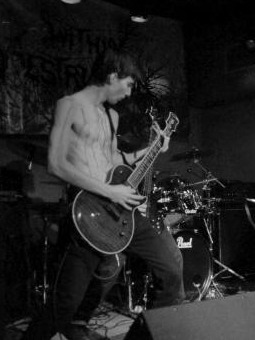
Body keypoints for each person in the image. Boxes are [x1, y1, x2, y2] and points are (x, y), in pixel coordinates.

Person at [22, 55, 185, 340]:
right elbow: (56, 164)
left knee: (171, 270)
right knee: (64, 304)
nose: (129, 93)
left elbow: (114, 162)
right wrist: (110, 191)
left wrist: (153, 149)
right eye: (129, 84)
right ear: (112, 75)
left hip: (120, 209)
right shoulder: (69, 105)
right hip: (87, 211)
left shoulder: (111, 116)